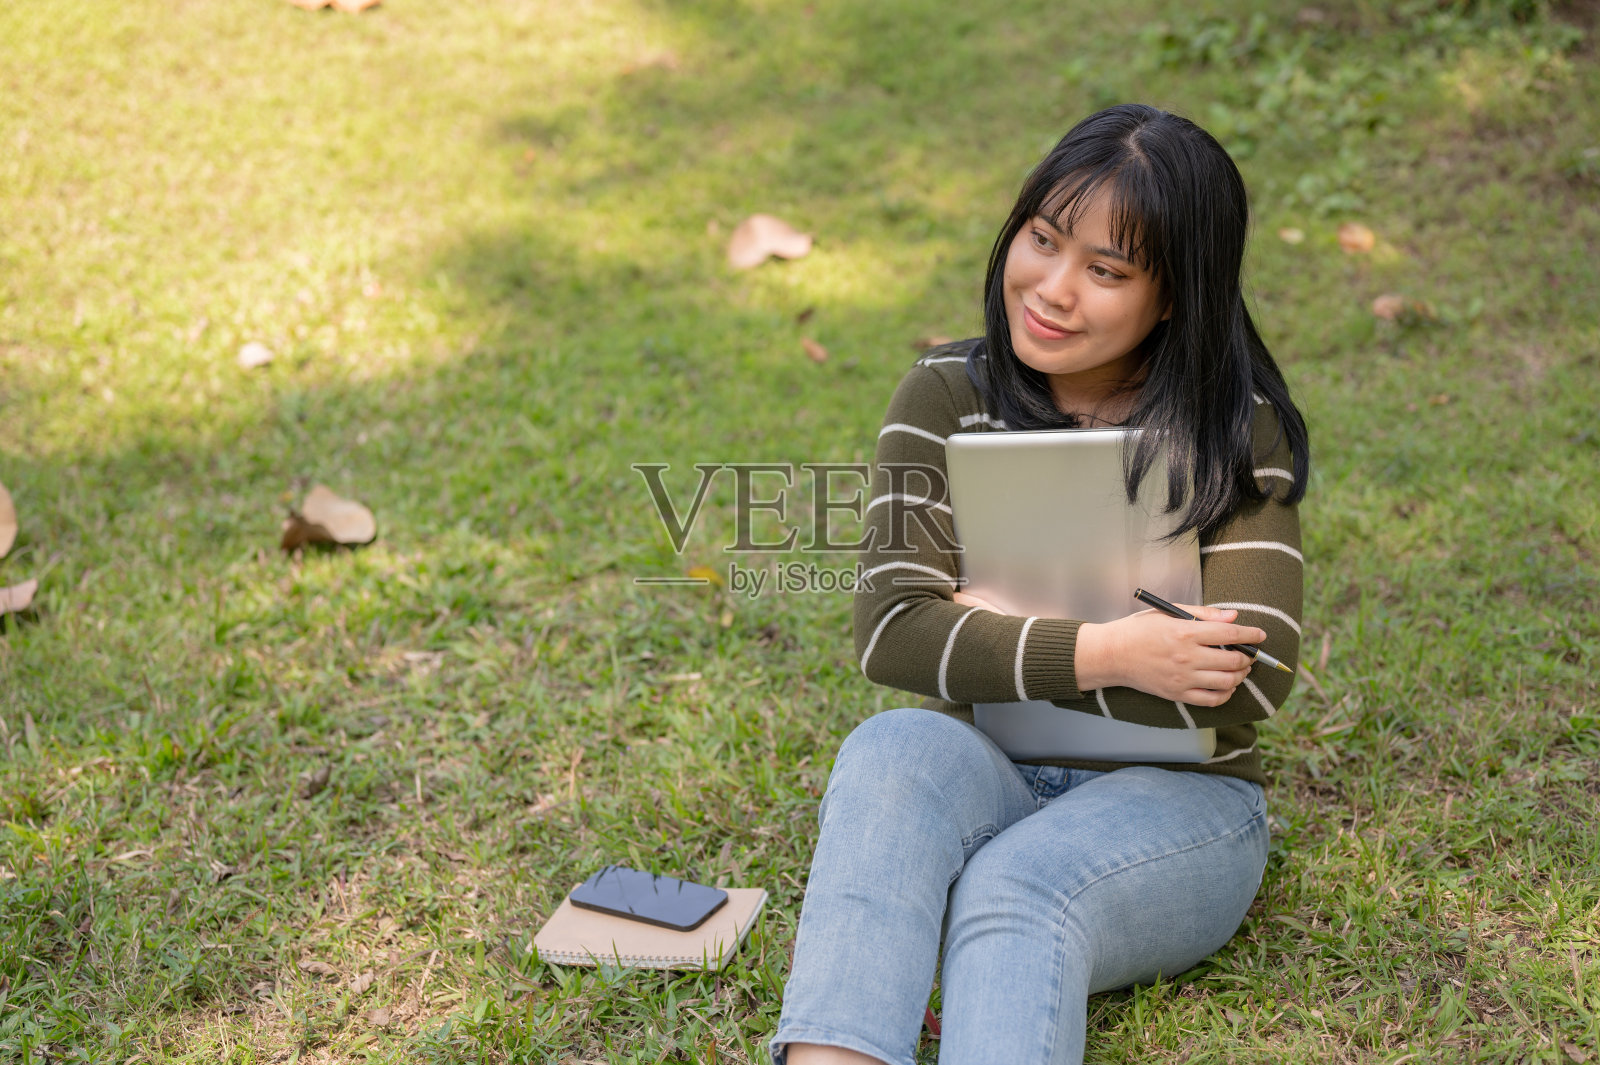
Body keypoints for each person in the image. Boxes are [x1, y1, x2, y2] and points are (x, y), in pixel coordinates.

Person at [769, 104, 1311, 1065]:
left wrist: (995, 626)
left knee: (1014, 885)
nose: (1053, 289)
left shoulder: (1235, 426)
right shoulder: (946, 396)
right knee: (893, 745)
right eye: (1043, 239)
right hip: (991, 772)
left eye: (1106, 270)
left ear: (1174, 294)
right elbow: (894, 631)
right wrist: (1123, 647)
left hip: (1181, 802)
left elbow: (1253, 674)